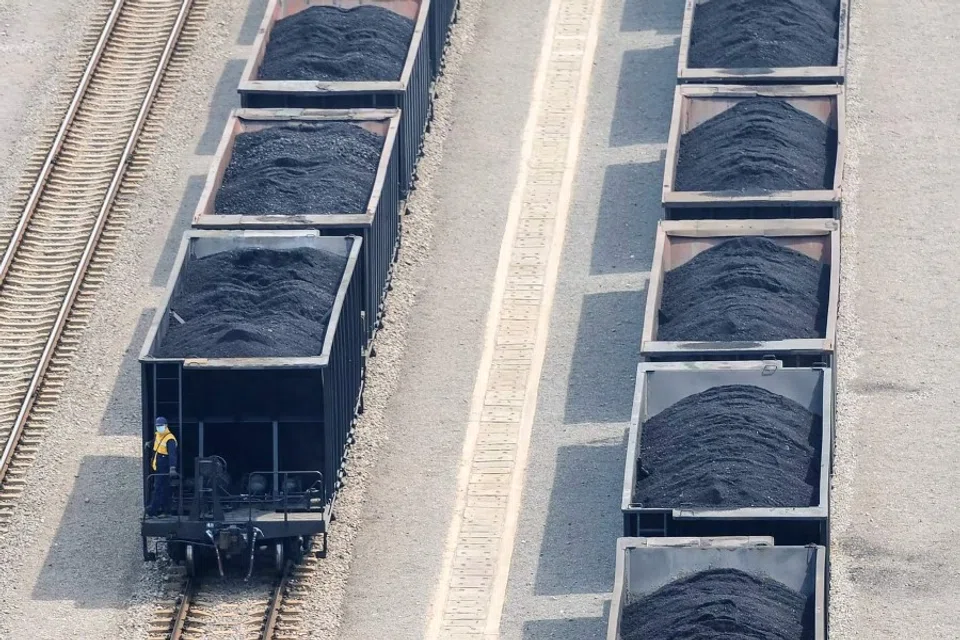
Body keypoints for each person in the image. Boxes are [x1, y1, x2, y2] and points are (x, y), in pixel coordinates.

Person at [145, 417, 178, 516]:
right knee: (164, 488)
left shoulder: (170, 439)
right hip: (158, 466)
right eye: (157, 426)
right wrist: (149, 444)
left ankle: (152, 510)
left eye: (161, 426)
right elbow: (156, 442)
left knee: (159, 488)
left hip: (164, 467)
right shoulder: (158, 435)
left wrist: (172, 467)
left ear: (166, 426)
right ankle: (166, 510)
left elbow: (172, 454)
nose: (159, 428)